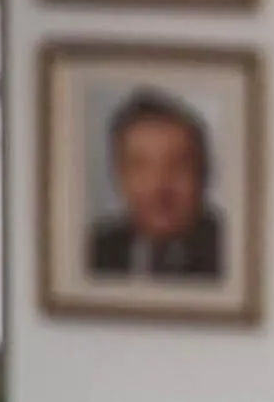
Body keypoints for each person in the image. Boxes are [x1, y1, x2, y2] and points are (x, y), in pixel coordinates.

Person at [87, 91, 224, 281]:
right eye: (139, 166)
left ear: (203, 173)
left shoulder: (230, 250)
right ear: (119, 175)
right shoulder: (95, 249)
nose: (158, 186)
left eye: (177, 165)